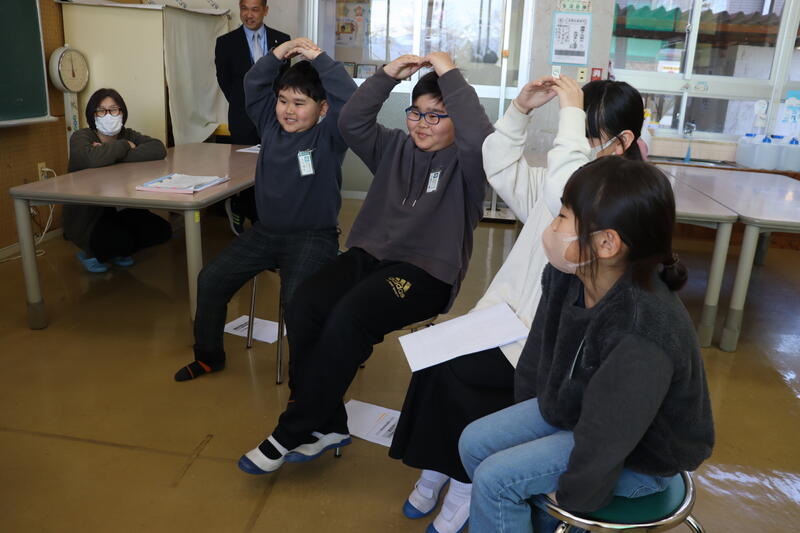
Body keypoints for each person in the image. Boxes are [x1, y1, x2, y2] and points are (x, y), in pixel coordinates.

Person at [389, 75, 648, 533]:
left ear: (623, 142)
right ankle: (438, 468)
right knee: (432, 362)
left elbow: (568, 191)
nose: (575, 143)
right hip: (503, 318)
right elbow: (500, 163)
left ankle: (465, 483)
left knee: (459, 375)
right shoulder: (563, 180)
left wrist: (570, 112)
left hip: (544, 346)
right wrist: (521, 109)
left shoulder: (620, 202)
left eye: (587, 134)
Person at [237, 52, 494, 476]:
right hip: (368, 256)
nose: (422, 124)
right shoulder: (393, 146)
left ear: (456, 121)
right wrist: (386, 75)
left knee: (351, 315)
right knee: (305, 303)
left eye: (436, 116)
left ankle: (293, 428)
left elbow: (480, 135)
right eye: (416, 113)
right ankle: (328, 425)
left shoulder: (470, 165)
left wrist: (449, 73)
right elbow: (351, 120)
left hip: (425, 273)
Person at [459, 157, 715, 533]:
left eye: (563, 216)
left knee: (496, 480)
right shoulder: (567, 276)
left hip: (641, 455)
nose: (552, 226)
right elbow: (536, 362)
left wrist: (573, 498)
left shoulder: (641, 330)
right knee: (473, 443)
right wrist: (531, 438)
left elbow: (609, 438)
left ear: (606, 243)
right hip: (581, 416)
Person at [173, 38, 357, 382]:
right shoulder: (269, 126)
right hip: (265, 233)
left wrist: (320, 58)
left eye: (299, 103)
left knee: (298, 302)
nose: (288, 110)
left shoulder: (331, 135)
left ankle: (305, 385)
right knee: (210, 280)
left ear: (323, 108)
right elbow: (253, 83)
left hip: (313, 237)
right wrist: (278, 54)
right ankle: (209, 357)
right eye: (283, 100)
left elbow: (351, 98)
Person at [64, 88, 172, 274]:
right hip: (89, 217)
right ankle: (90, 253)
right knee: (120, 242)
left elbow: (158, 149)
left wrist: (108, 153)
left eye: (114, 109)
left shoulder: (127, 133)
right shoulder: (81, 137)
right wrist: (124, 146)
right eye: (101, 110)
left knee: (163, 231)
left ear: (122, 112)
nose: (108, 115)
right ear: (93, 115)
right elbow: (91, 159)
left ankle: (114, 250)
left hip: (120, 208)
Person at [215, 0, 290, 234]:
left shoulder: (282, 40)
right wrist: (243, 103)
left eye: (255, 9)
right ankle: (241, 207)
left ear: (265, 11)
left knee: (272, 166)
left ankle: (263, 217)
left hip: (276, 117)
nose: (249, 14)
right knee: (244, 168)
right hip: (242, 117)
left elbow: (285, 81)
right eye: (244, 9)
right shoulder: (225, 42)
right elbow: (224, 80)